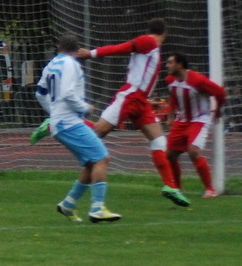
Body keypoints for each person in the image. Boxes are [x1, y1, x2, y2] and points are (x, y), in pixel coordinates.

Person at [32, 18, 190, 207]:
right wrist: (91, 53)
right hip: (131, 96)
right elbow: (121, 47)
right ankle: (52, 124)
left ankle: (170, 186)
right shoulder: (147, 41)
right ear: (165, 33)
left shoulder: (153, 47)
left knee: (159, 141)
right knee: (98, 132)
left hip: (142, 101)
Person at [35, 33, 120, 223]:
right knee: (102, 158)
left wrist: (53, 112)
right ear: (77, 50)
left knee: (92, 163)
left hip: (60, 121)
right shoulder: (71, 64)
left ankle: (68, 204)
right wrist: (85, 108)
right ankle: (98, 208)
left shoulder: (52, 65)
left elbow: (40, 93)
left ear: (59, 47)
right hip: (69, 120)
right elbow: (67, 93)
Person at [164, 52, 226, 198]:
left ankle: (210, 189)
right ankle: (177, 188)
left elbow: (220, 92)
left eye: (170, 62)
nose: (167, 66)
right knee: (170, 155)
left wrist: (217, 110)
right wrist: (171, 116)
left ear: (180, 64)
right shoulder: (170, 80)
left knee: (193, 151)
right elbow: (173, 96)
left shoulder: (197, 80)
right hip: (182, 120)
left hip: (199, 119)